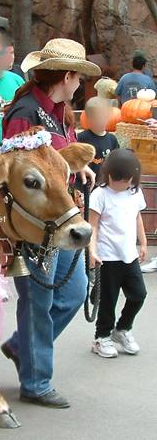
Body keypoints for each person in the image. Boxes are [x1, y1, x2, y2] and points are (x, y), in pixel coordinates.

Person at [0, 38, 101, 408]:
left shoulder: (60, 112)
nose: (81, 84)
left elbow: (53, 162)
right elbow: (19, 172)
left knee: (72, 294)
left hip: (61, 219)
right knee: (37, 304)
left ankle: (21, 347)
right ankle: (36, 382)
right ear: (67, 76)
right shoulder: (25, 112)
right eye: (79, 77)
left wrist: (76, 166)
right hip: (36, 224)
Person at [89, 149, 147, 358]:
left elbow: (137, 217)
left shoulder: (135, 193)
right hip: (107, 257)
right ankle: (101, 337)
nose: (116, 183)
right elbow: (92, 226)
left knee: (139, 295)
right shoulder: (100, 194)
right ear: (107, 174)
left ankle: (122, 329)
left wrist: (143, 242)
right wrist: (92, 251)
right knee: (108, 301)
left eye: (121, 180)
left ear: (132, 178)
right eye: (113, 178)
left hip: (129, 256)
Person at [77, 97, 119, 183]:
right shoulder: (81, 138)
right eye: (97, 117)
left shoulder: (112, 139)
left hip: (105, 184)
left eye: (105, 116)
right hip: (86, 183)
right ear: (88, 119)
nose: (102, 120)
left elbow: (116, 162)